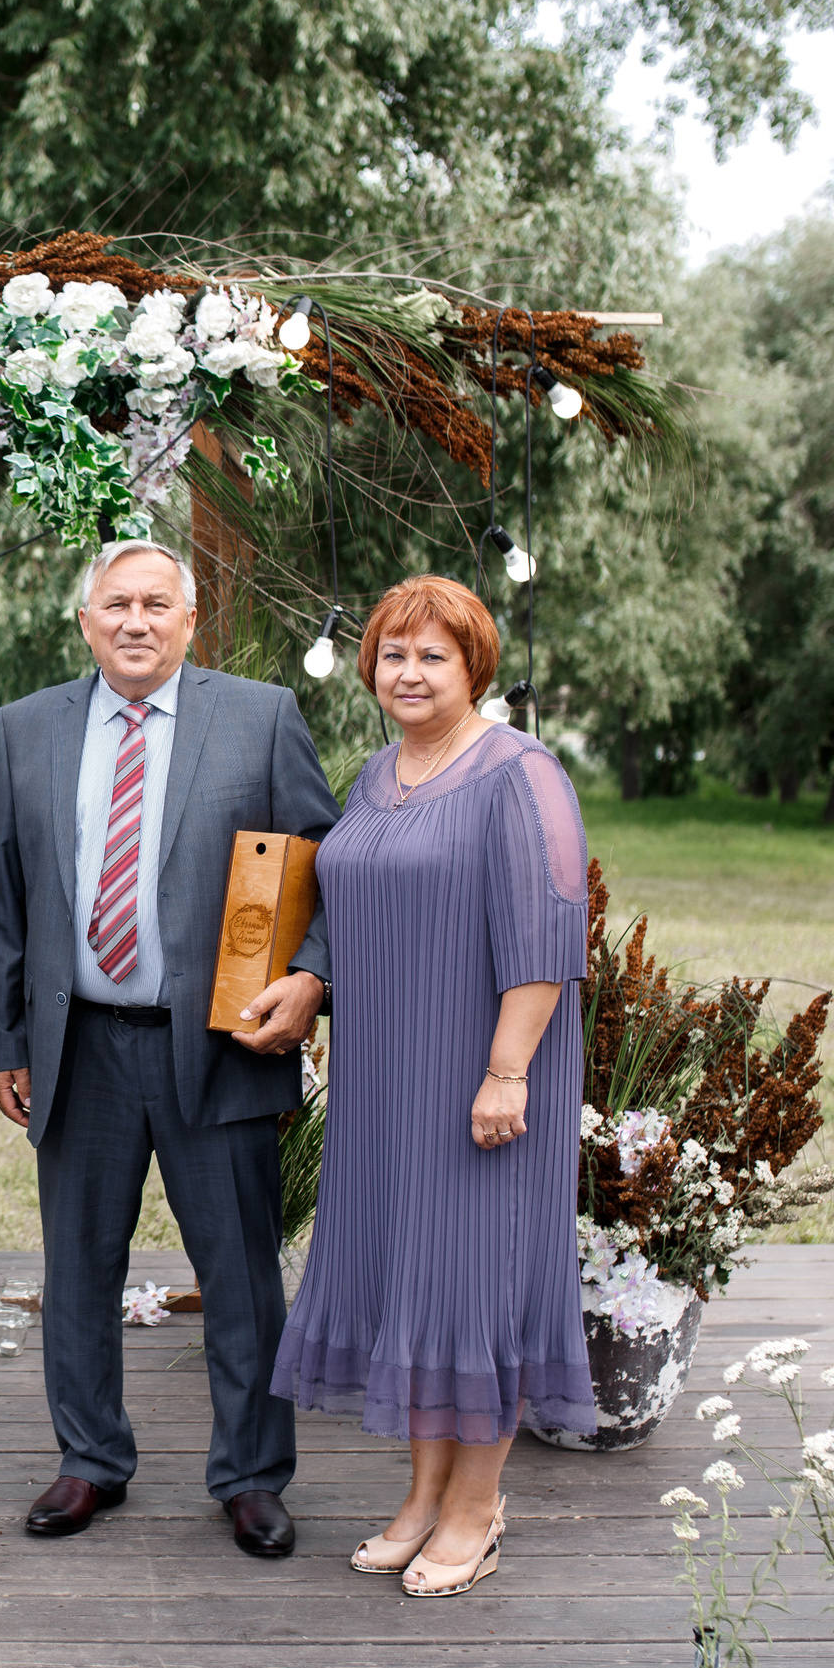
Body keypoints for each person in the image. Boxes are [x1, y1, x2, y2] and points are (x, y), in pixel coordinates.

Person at [0, 539, 336, 1559]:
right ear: (84, 621)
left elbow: (327, 866)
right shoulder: (25, 729)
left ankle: (253, 1476)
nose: (135, 621)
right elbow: (0, 898)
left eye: (155, 604)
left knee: (240, 1272)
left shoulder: (258, 718)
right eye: (114, 604)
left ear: (189, 621)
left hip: (218, 1047)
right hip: (78, 1047)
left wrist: (310, 980)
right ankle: (89, 1461)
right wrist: (3, 1037)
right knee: (79, 1268)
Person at [269, 575, 591, 1597]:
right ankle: (420, 1498)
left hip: (481, 1079)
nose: (409, 673)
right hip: (384, 1078)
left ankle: (475, 1508)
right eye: (393, 655)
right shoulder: (376, 774)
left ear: (473, 666)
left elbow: (546, 935)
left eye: (432, 656)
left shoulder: (518, 772)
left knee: (473, 1287)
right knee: (413, 1279)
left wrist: (506, 1072)